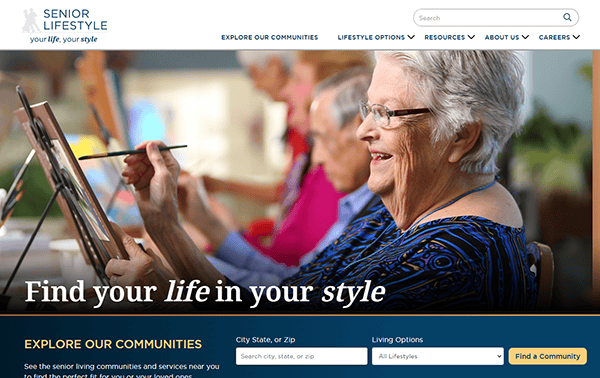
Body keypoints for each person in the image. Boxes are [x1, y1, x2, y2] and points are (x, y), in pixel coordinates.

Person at [111, 50, 537, 311]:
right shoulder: (399, 218)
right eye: (368, 109)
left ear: (462, 135)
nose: (362, 131)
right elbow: (283, 301)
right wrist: (164, 225)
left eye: (386, 113)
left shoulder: (447, 263)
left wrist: (168, 295)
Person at [176, 66, 378, 288]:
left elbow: (297, 292)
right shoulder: (352, 204)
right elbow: (297, 278)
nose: (318, 158)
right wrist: (202, 227)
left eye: (323, 138)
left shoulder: (362, 205)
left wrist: (179, 253)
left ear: (363, 130)